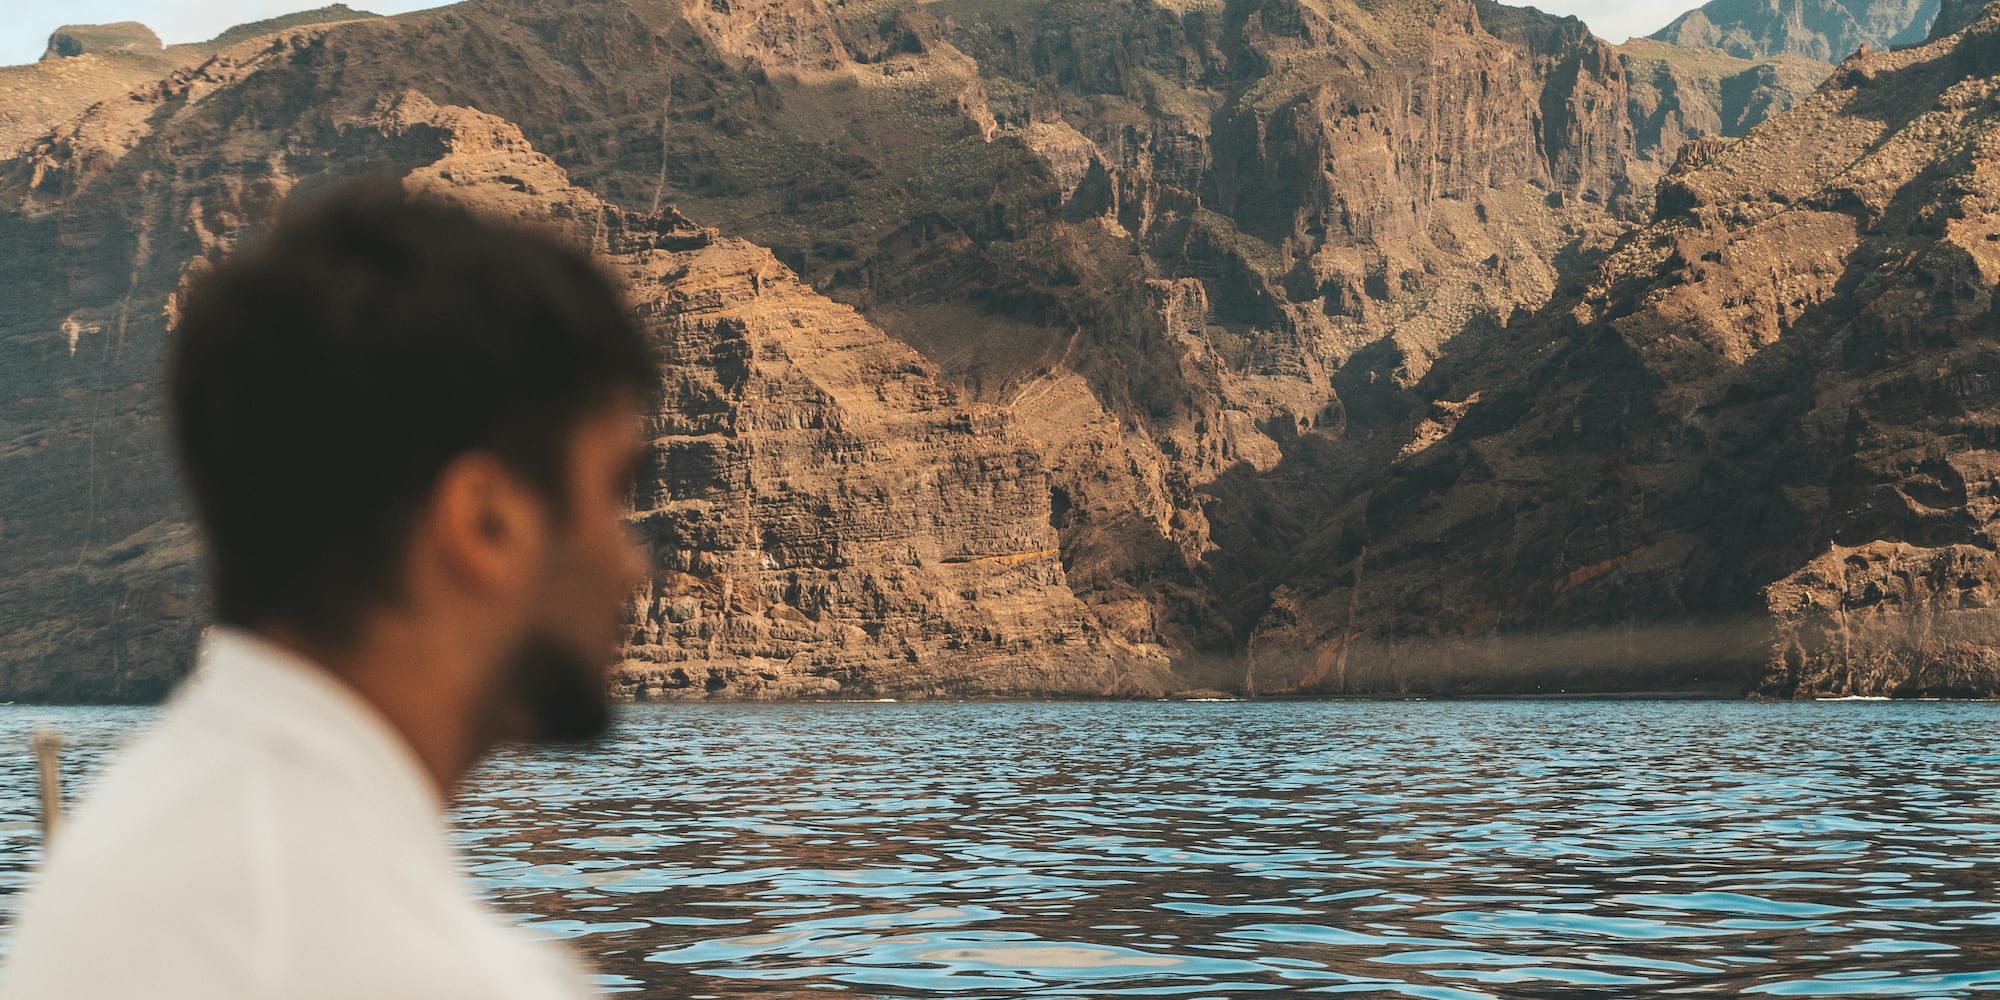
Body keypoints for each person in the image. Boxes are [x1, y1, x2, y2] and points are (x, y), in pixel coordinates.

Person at [0, 180, 659, 998]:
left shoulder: (136, 830)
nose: (632, 563)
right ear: (484, 523)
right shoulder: (433, 974)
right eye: (611, 493)